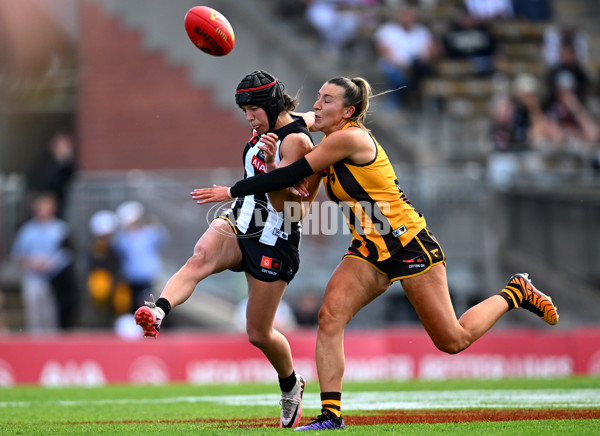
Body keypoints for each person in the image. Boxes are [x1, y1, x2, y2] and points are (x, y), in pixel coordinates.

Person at [191, 76, 560, 431]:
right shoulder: (330, 129)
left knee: (452, 340)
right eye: (318, 97)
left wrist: (233, 190)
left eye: (326, 100)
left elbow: (291, 176)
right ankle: (331, 416)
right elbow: (296, 126)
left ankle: (515, 292)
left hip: (406, 242)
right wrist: (272, 119)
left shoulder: (347, 139)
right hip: (368, 249)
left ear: (348, 112)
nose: (316, 105)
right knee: (330, 315)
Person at [134, 70, 321, 428]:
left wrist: (256, 172)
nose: (248, 118)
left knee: (258, 333)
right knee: (199, 257)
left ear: (270, 103)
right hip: (241, 223)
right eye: (245, 110)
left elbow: (288, 209)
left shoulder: (296, 142)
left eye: (253, 109)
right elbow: (304, 118)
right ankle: (159, 311)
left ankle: (290, 383)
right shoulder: (277, 126)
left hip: (275, 238)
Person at [10, 192, 79, 332]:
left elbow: (68, 252)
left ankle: (52, 345)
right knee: (35, 312)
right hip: (33, 277)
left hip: (56, 278)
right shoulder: (28, 230)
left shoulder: (60, 229)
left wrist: (52, 263)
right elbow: (16, 255)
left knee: (52, 313)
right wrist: (32, 262)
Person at [373, 4, 437, 110]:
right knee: (395, 75)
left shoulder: (422, 31)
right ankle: (393, 103)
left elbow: (432, 50)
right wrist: (402, 65)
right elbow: (384, 51)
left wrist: (425, 59)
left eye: (410, 16)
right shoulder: (388, 30)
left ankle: (426, 106)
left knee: (426, 74)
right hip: (394, 65)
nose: (408, 18)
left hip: (417, 66)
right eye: (405, 15)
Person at [112, 200, 169, 313]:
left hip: (149, 277)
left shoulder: (148, 233)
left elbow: (162, 237)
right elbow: (117, 246)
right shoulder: (124, 238)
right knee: (134, 306)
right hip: (132, 278)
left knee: (152, 306)